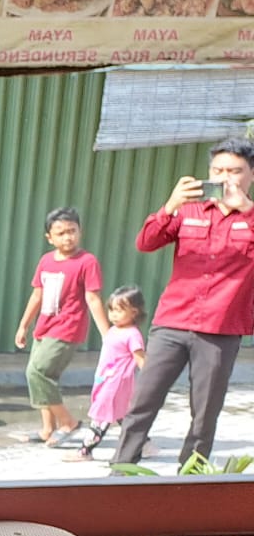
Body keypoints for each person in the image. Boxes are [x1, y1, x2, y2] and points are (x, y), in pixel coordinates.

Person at [114, 138, 254, 468]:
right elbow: (146, 243)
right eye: (218, 170)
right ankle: (121, 474)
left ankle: (189, 478)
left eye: (234, 171)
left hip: (220, 329)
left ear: (250, 174)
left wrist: (247, 211)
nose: (225, 178)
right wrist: (169, 205)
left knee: (205, 412)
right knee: (142, 402)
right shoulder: (189, 210)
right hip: (172, 323)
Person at [13, 207, 106, 447]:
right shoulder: (46, 261)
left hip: (68, 328)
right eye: (61, 233)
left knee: (36, 372)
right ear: (50, 238)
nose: (68, 237)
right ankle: (47, 429)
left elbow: (93, 298)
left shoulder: (87, 261)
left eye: (72, 231)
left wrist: (108, 336)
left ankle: (68, 422)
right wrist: (23, 326)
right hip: (44, 327)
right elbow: (37, 296)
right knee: (45, 377)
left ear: (80, 231)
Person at [69, 286, 148, 462]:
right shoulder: (113, 330)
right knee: (122, 415)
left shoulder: (132, 335)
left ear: (134, 312)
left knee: (101, 417)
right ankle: (144, 444)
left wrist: (151, 382)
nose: (113, 315)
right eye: (111, 309)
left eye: (119, 310)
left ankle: (85, 451)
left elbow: (141, 360)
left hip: (116, 383)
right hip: (105, 380)